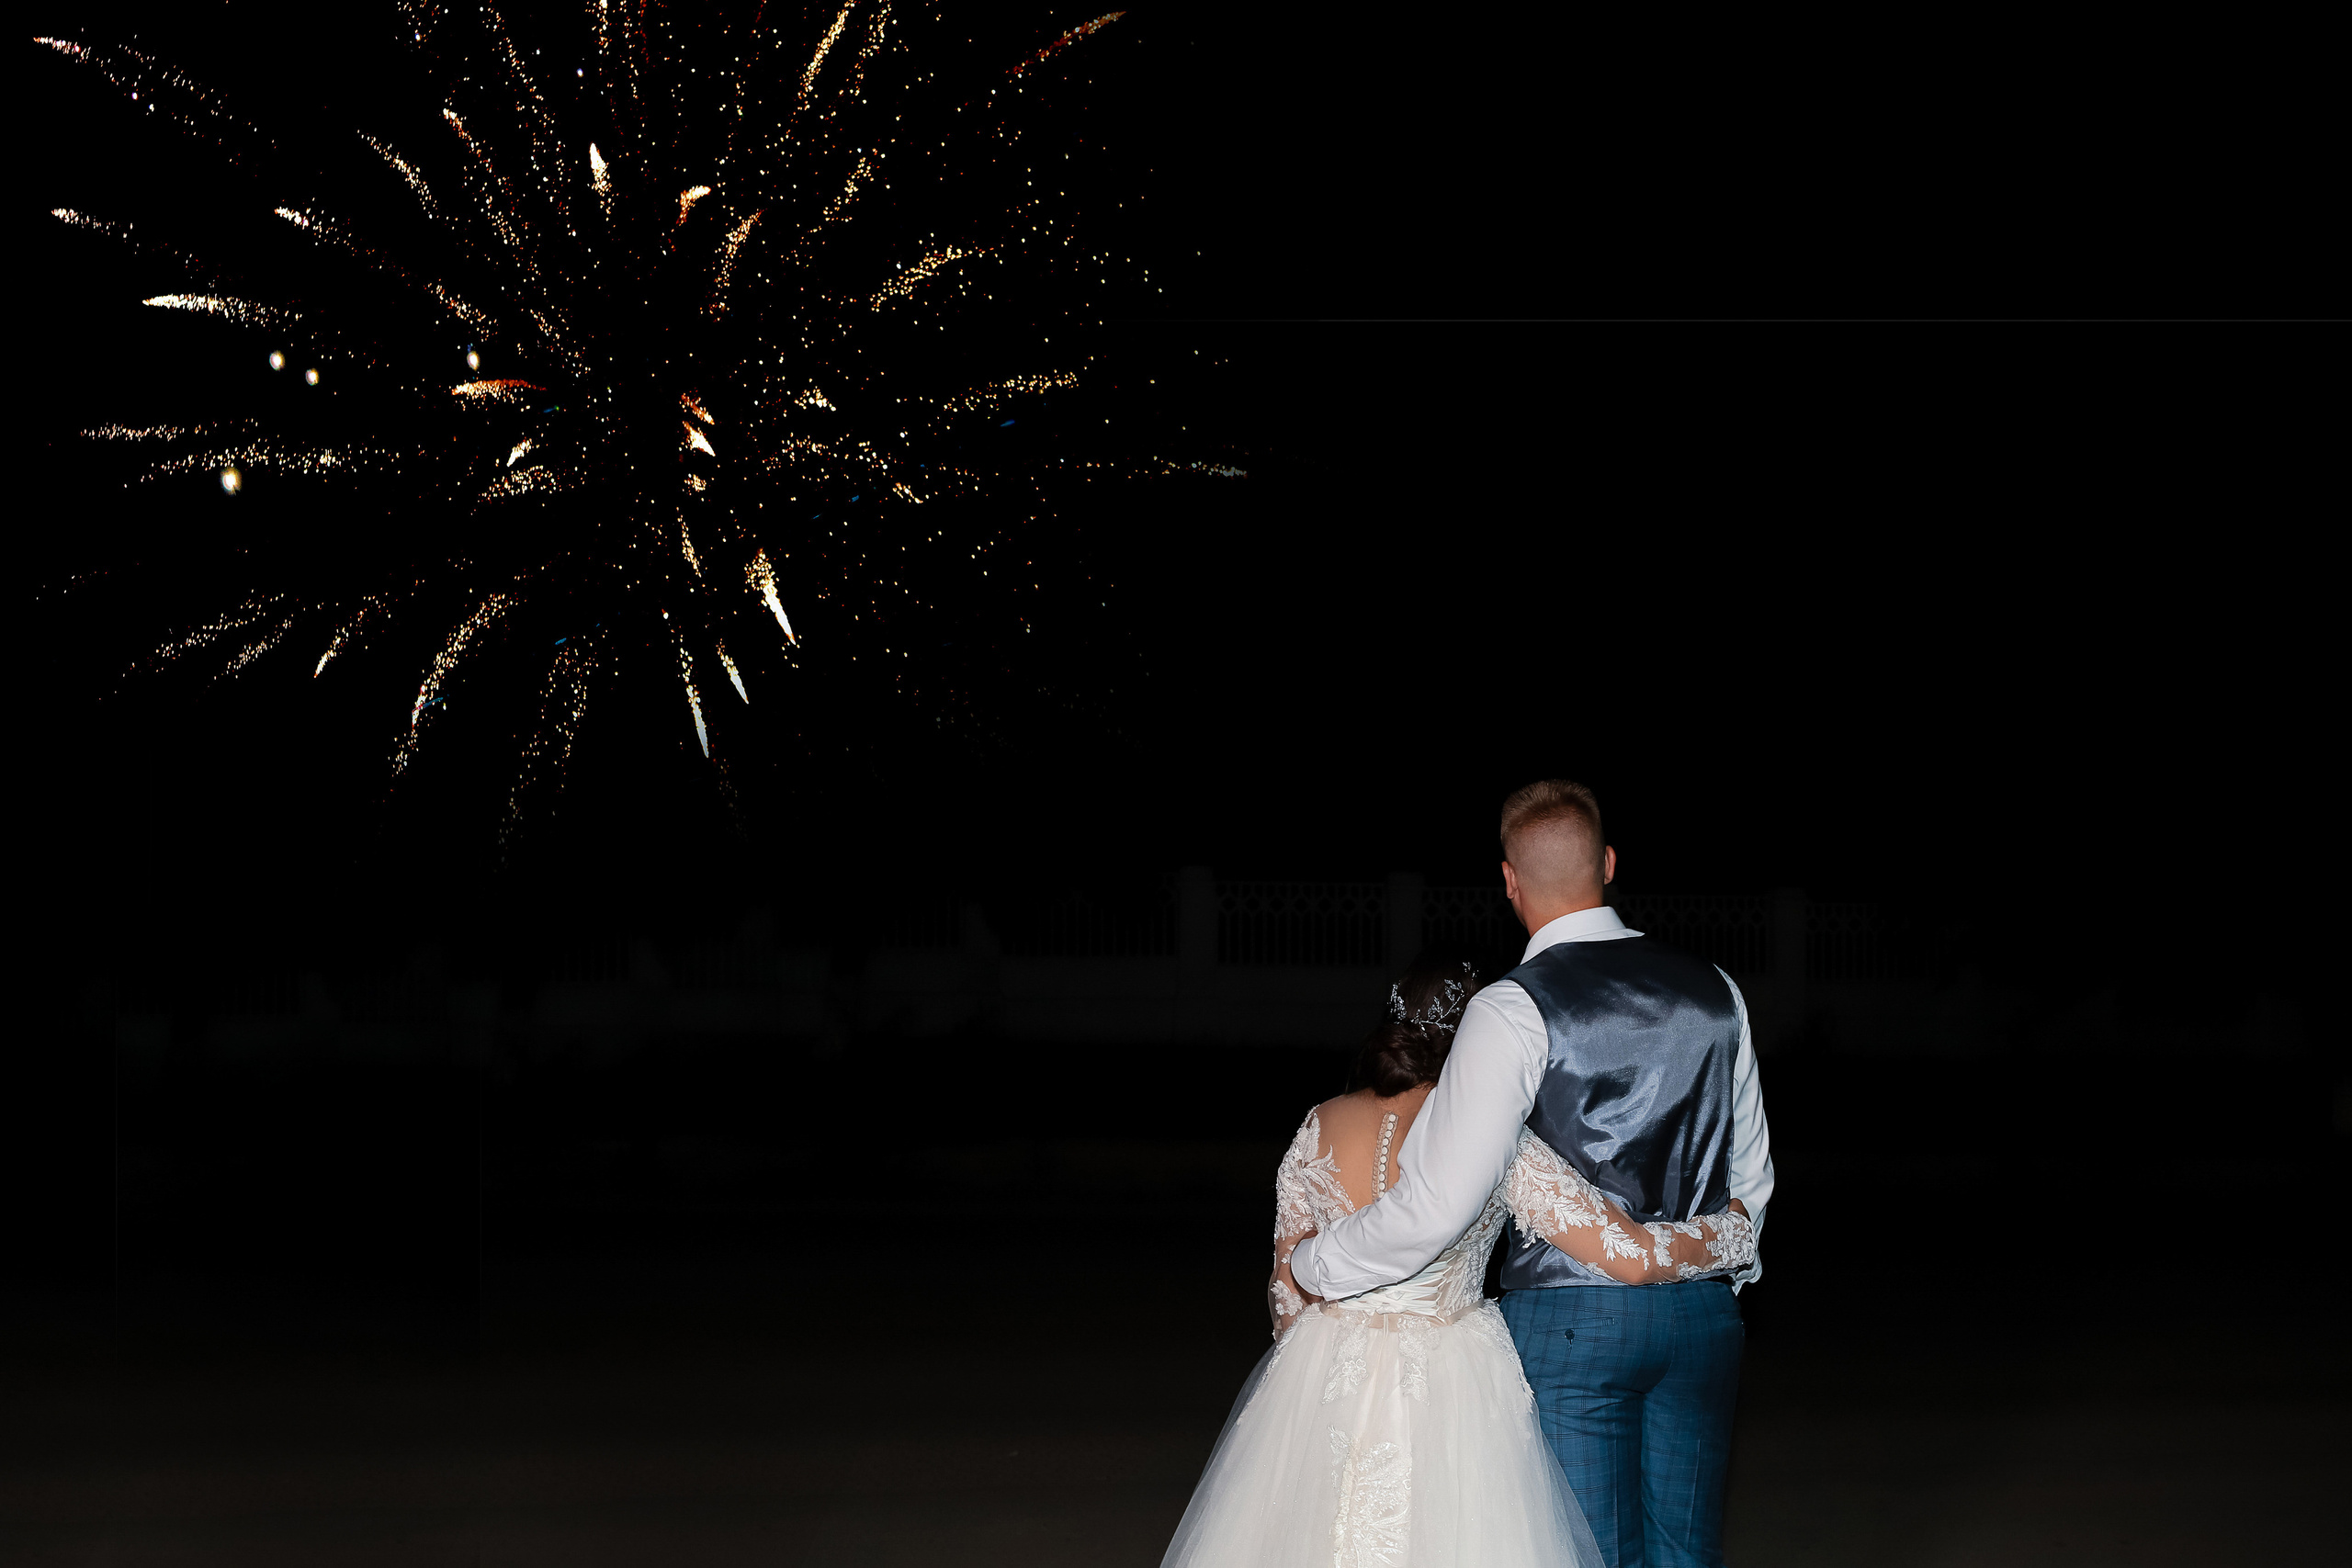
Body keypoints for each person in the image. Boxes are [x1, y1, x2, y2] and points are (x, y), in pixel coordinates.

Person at [1287, 779, 1773, 1568]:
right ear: (1608, 862)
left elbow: (1437, 1204)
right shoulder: (1717, 989)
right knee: (1688, 1555)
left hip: (1572, 1322)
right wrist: (1715, 1282)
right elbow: (1751, 1179)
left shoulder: (1512, 1008)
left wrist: (1318, 1261)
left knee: (1587, 1553)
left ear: (1509, 883)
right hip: (1701, 1321)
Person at [1159, 941, 1754, 1568]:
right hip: (1455, 1380)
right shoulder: (1492, 1137)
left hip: (1328, 1372)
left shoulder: (1320, 1122)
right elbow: (1625, 1252)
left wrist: (1322, 1384)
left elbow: (1286, 1296)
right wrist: (1733, 1234)